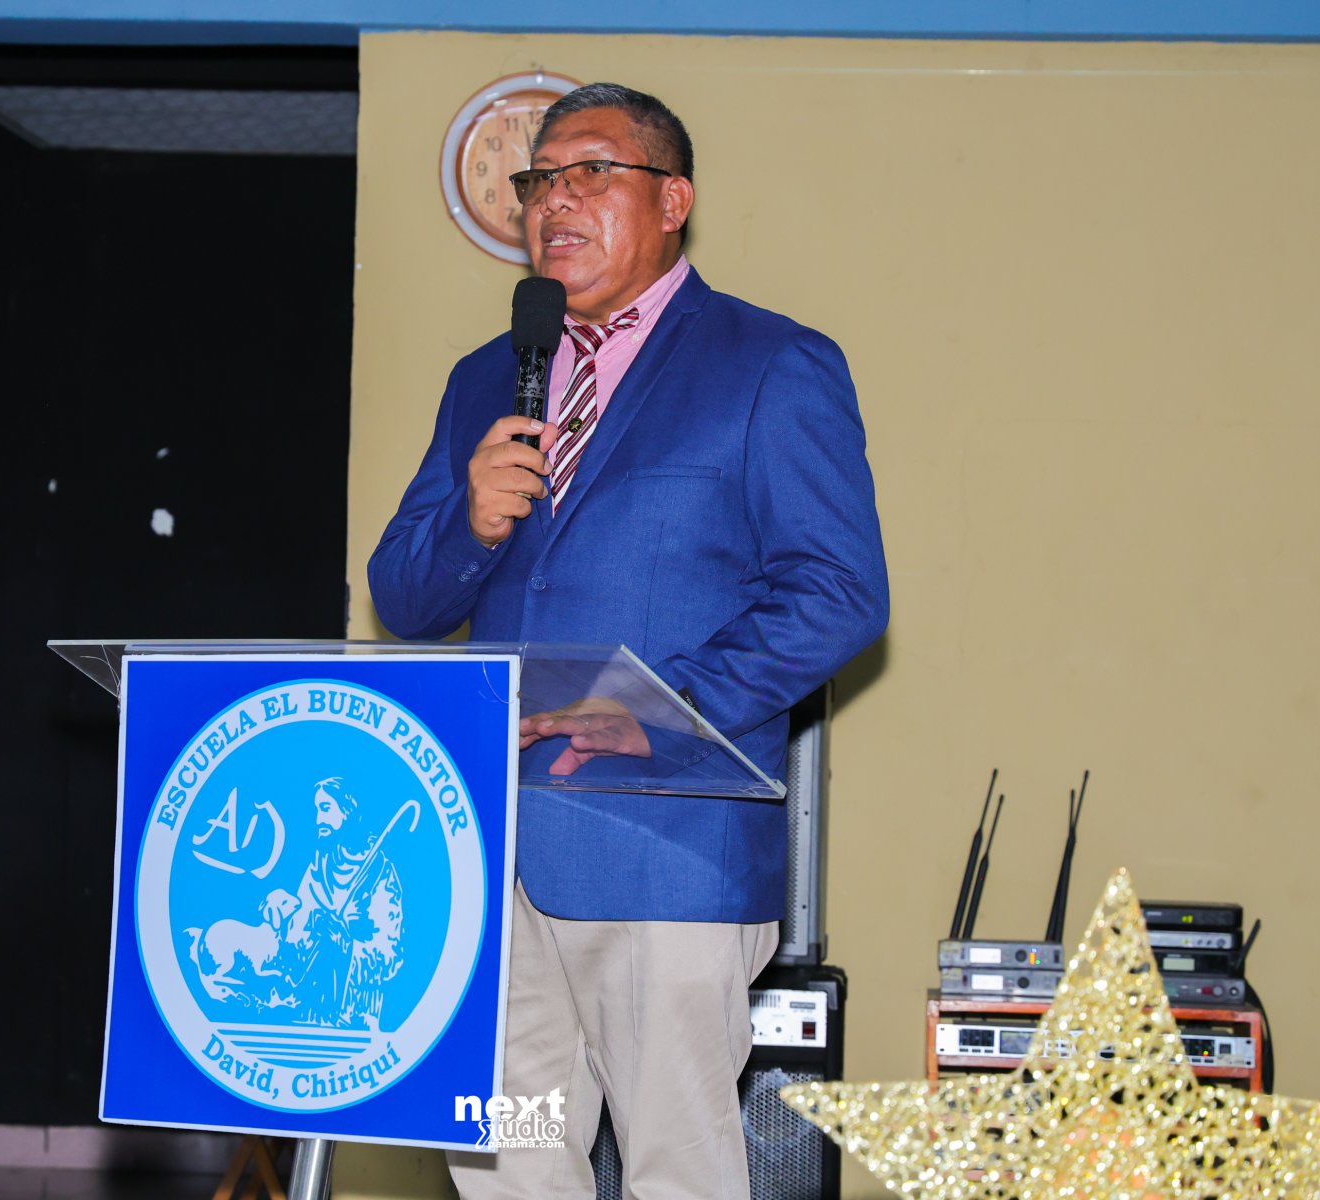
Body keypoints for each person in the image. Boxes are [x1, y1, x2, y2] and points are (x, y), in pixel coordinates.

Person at [368, 82, 888, 1198]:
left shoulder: (771, 364)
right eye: (539, 181)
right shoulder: (486, 377)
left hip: (666, 853)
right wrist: (469, 524)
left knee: (674, 1169)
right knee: (505, 1157)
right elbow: (401, 597)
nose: (553, 201)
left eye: (590, 173)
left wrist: (659, 707)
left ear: (673, 201)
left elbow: (839, 591)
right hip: (493, 857)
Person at [262, 777, 405, 1030]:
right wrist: (282, 920)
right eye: (317, 810)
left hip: (356, 1016)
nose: (318, 820)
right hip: (308, 1010)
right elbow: (295, 940)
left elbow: (389, 956)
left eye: (326, 808)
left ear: (348, 809)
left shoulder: (380, 873)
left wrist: (345, 944)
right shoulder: (318, 867)